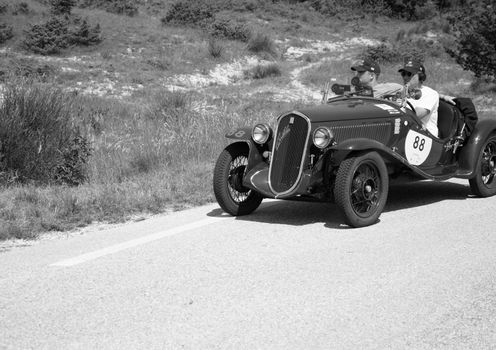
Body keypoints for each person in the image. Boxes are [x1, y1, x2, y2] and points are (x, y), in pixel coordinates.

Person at [399, 59, 439, 137]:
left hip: (425, 136)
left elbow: (414, 116)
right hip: (406, 131)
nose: (405, 77)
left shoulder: (430, 94)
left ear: (421, 77)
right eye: (403, 74)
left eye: (409, 74)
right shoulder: (403, 91)